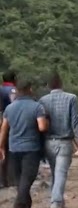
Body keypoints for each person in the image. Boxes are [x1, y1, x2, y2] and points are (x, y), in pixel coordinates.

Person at [39, 71, 78, 208]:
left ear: (48, 86)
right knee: (60, 174)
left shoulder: (43, 100)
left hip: (48, 142)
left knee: (55, 173)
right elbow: (75, 123)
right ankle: (56, 203)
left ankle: (59, 203)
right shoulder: (71, 98)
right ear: (61, 83)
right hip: (65, 142)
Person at [0, 79, 48, 208]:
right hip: (31, 148)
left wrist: (1, 147)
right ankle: (18, 205)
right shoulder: (36, 106)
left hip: (13, 148)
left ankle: (25, 205)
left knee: (19, 182)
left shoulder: (10, 108)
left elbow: (4, 129)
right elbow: (42, 127)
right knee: (26, 180)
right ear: (29, 89)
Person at [0, 70, 17, 188]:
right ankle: (11, 179)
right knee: (10, 150)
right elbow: (14, 104)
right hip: (9, 123)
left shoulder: (0, 89)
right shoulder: (13, 90)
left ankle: (2, 180)